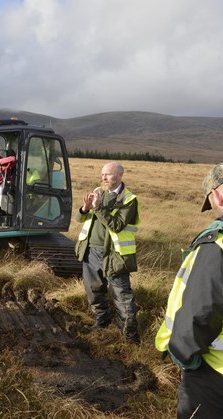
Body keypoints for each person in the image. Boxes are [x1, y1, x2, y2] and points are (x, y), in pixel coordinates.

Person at [156, 163, 223, 418]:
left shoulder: (216, 246)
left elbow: (201, 313)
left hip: (212, 377)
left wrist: (185, 358)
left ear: (216, 195)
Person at [75, 161, 141, 344]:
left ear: (120, 176)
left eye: (108, 174)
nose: (103, 177)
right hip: (91, 250)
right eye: (102, 174)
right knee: (93, 289)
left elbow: (116, 225)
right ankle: (102, 321)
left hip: (115, 255)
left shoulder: (129, 200)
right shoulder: (97, 192)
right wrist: (85, 208)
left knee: (122, 295)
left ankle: (129, 336)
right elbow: (80, 218)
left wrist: (97, 208)